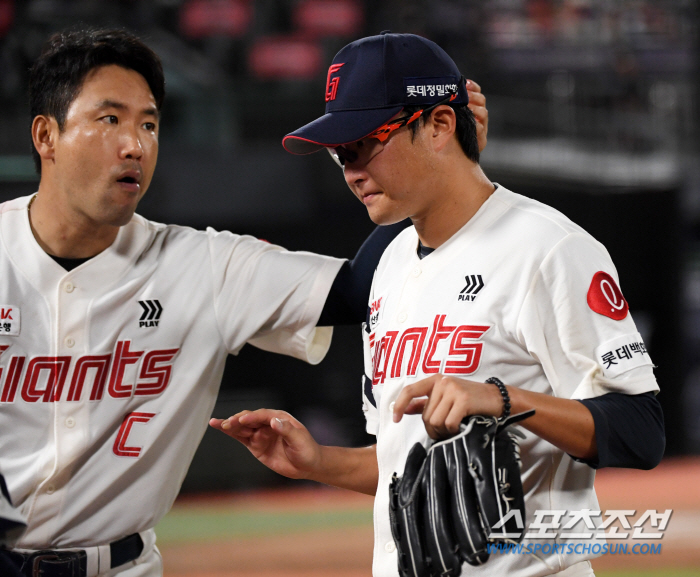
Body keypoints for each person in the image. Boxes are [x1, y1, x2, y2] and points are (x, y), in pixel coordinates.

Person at [0, 27, 489, 577]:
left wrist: (447, 170)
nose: (136, 143)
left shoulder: (202, 265)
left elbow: (357, 290)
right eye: (109, 119)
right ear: (46, 135)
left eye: (150, 123)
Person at [211, 32, 665, 577]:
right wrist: (320, 462)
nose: (352, 169)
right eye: (339, 153)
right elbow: (410, 470)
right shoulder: (389, 264)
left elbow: (641, 430)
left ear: (439, 126)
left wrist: (501, 398)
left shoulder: (550, 249)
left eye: (363, 143)